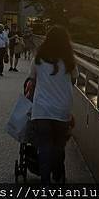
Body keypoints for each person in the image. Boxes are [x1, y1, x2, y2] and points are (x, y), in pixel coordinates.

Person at [28, 25, 78, 184]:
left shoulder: (38, 59)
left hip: (41, 108)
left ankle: (45, 181)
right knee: (59, 144)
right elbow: (74, 81)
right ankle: (57, 173)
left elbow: (32, 80)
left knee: (44, 145)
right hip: (62, 109)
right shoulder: (70, 61)